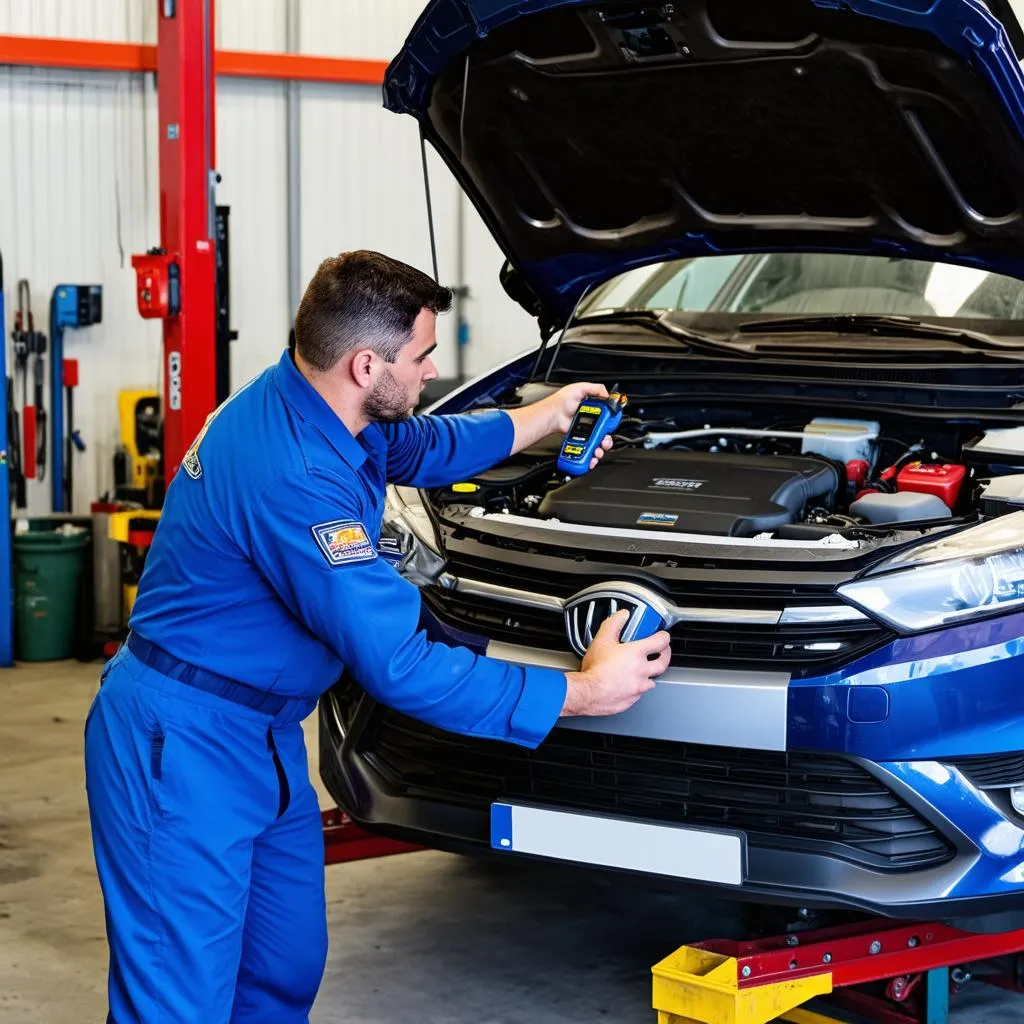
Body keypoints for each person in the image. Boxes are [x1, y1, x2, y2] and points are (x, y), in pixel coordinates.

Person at [84, 250, 672, 1023]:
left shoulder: (321, 405)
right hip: (182, 744)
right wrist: (585, 691)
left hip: (260, 733)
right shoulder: (294, 473)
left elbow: (422, 446)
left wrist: (544, 418)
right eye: (423, 355)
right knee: (179, 998)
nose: (432, 371)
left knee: (281, 969)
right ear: (366, 363)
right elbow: (400, 665)